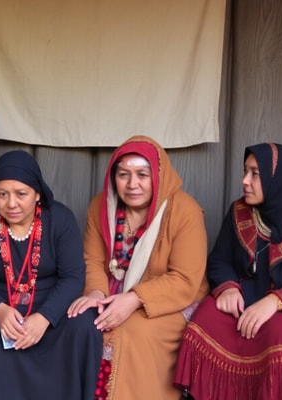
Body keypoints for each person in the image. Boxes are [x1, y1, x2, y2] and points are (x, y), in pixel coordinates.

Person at [175, 143, 282, 399]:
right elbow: (220, 260)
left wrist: (274, 302)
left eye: (255, 173)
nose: (244, 181)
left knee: (281, 337)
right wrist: (228, 287)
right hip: (245, 301)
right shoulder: (239, 212)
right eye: (245, 171)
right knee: (206, 316)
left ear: (280, 179)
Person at [67, 135, 209, 399]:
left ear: (158, 175)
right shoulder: (102, 204)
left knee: (133, 332)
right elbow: (94, 261)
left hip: (170, 300)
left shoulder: (184, 211)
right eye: (124, 175)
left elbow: (184, 279)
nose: (133, 185)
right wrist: (95, 294)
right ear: (113, 176)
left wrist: (134, 299)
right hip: (109, 293)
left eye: (142, 175)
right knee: (81, 324)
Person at [0, 150, 103, 399]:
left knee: (84, 325)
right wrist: (0, 311)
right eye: (2, 194)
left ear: (37, 194)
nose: (11, 203)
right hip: (0, 303)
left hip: (52, 303)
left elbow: (73, 276)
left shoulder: (60, 219)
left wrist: (45, 317)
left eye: (21, 194)